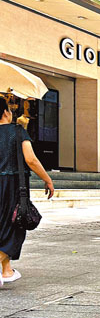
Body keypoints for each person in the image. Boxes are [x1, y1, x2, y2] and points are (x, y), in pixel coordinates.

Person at [0, 96, 54, 285]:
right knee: (16, 225)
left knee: (2, 225)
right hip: (12, 185)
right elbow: (31, 160)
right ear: (6, 112)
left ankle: (6, 271)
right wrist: (47, 179)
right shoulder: (17, 132)